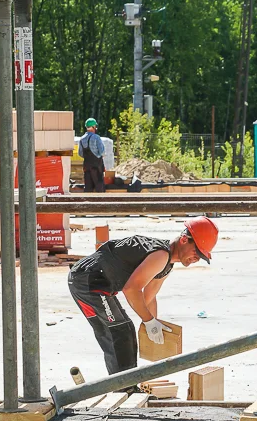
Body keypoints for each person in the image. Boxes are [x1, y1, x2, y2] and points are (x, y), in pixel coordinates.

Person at [68, 217, 219, 376]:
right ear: (183, 240)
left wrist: (153, 325)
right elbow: (131, 289)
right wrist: (149, 321)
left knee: (119, 330)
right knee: (120, 330)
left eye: (201, 256)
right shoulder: (160, 255)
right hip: (88, 281)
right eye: (196, 252)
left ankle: (124, 385)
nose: (196, 259)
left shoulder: (166, 264)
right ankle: (125, 387)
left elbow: (149, 297)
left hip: (93, 282)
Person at [79, 118, 106, 192]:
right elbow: (102, 152)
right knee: (99, 188)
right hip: (97, 167)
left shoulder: (81, 139)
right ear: (93, 126)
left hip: (87, 167)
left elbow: (80, 153)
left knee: (88, 188)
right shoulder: (96, 137)